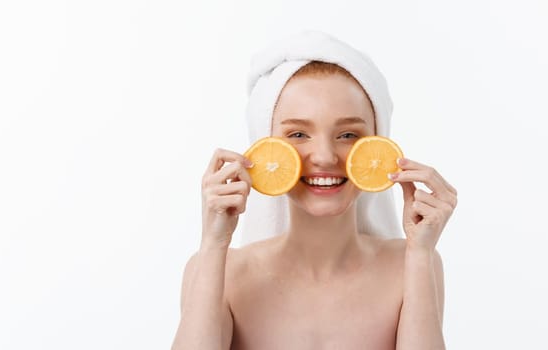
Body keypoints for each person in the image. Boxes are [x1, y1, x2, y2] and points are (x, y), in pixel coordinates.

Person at [171, 31, 457, 349]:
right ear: (264, 148)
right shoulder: (219, 269)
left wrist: (419, 252)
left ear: (379, 146)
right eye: (298, 134)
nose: (324, 156)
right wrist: (213, 242)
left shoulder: (414, 265)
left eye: (348, 134)